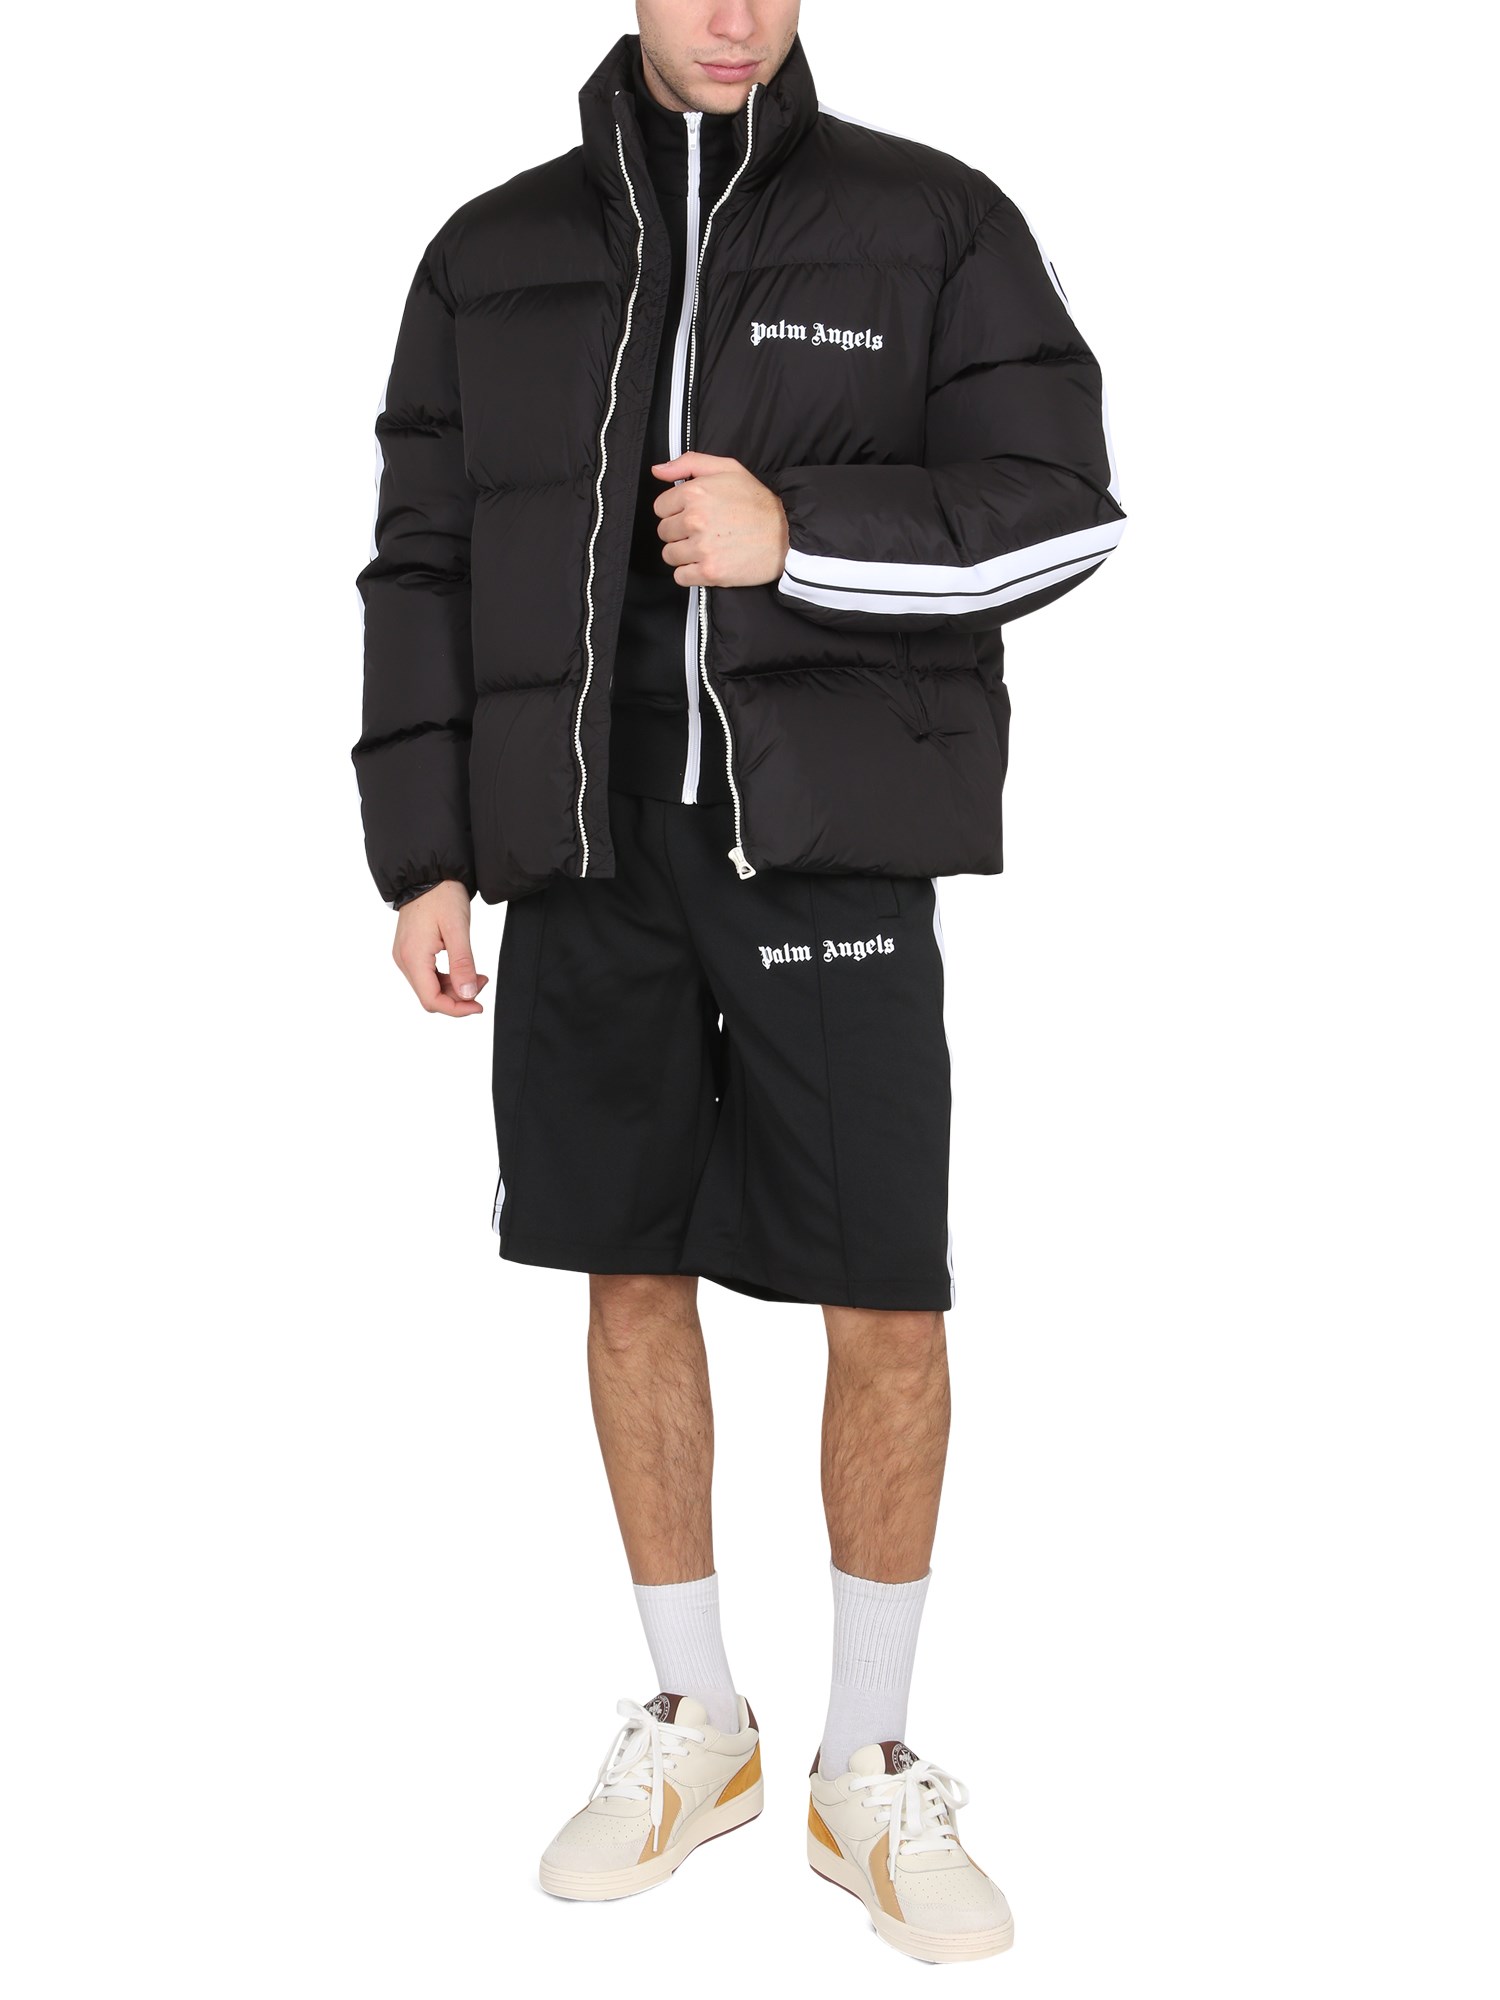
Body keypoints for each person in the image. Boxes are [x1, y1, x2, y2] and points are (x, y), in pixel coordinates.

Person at [354, 0, 1121, 1964]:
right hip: (583, 849)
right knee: (624, 1269)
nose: (732, 15)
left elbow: (1062, 512)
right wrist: (423, 846)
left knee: (885, 1293)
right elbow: (420, 562)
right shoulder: (490, 253)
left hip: (827, 845)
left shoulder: (932, 222)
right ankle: (696, 1724)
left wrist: (802, 542)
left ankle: (869, 1764)